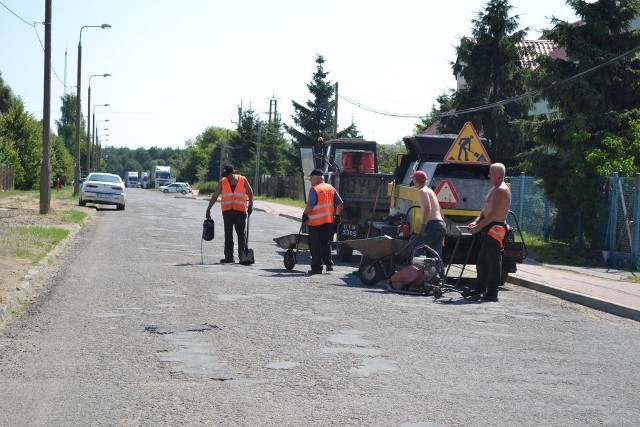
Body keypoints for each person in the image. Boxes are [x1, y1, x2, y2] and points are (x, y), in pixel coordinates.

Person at [463, 162, 511, 302]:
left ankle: (492, 293)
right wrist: (476, 221)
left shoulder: (501, 190)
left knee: (493, 262)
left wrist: (477, 228)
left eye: (491, 172)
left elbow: (494, 215)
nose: (488, 175)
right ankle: (480, 288)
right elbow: (485, 210)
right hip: (488, 226)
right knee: (482, 261)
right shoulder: (494, 189)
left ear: (499, 174)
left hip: (495, 227)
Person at [205, 164, 254, 264]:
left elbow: (249, 190)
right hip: (227, 212)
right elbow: (215, 195)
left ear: (232, 173)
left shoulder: (242, 179)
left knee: (241, 234)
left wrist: (251, 204)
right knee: (228, 234)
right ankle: (229, 257)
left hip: (240, 211)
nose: (226, 176)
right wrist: (209, 208)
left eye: (227, 174)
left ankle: (242, 257)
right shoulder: (222, 181)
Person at [302, 169, 344, 275]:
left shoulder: (315, 189)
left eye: (311, 179)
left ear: (316, 178)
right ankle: (329, 264)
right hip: (328, 222)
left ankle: (317, 268)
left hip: (316, 223)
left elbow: (310, 205)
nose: (310, 181)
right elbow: (340, 203)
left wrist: (305, 213)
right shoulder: (330, 188)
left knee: (315, 245)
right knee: (325, 244)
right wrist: (337, 216)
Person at [412, 170, 446, 261]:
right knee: (436, 255)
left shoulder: (422, 191)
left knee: (418, 250)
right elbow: (440, 209)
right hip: (440, 224)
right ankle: (438, 274)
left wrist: (423, 226)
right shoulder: (430, 191)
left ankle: (419, 273)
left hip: (432, 225)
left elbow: (428, 209)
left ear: (415, 180)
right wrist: (443, 230)